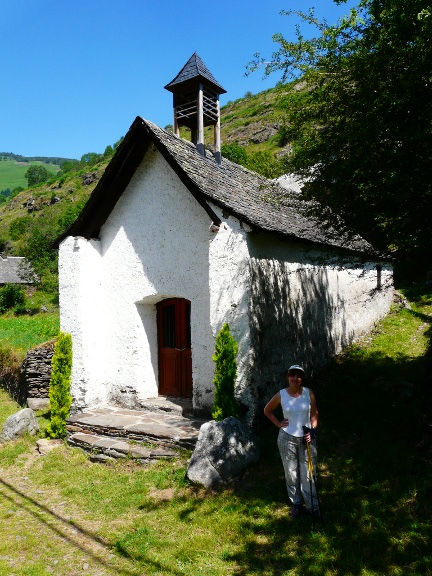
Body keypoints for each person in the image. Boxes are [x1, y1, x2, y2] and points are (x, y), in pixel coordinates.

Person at [264, 364, 319, 519]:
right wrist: (278, 423)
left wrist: (312, 431)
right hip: (287, 438)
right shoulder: (281, 395)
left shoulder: (309, 393)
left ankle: (312, 506)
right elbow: (267, 410)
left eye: (298, 376)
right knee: (291, 473)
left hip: (307, 438)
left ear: (302, 378)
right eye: (292, 375)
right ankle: (296, 503)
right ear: (288, 377)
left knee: (308, 473)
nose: (295, 378)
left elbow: (314, 415)